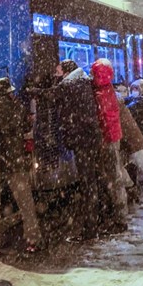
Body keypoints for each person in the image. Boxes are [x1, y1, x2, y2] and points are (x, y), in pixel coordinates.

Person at [28, 60, 103, 242]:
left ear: (67, 70)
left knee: (87, 183)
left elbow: (53, 94)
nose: (57, 74)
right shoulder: (82, 81)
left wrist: (33, 91)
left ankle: (90, 230)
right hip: (88, 137)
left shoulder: (71, 83)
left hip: (82, 139)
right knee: (90, 181)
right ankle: (94, 223)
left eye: (58, 71)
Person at [0, 77, 41, 256]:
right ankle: (32, 240)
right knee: (25, 202)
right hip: (15, 161)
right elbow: (25, 128)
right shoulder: (17, 107)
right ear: (8, 91)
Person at [90, 59, 128, 234]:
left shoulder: (101, 93)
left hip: (108, 139)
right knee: (113, 177)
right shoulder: (107, 89)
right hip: (112, 137)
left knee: (113, 178)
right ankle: (117, 216)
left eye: (94, 74)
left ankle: (119, 220)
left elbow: (103, 116)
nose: (92, 77)